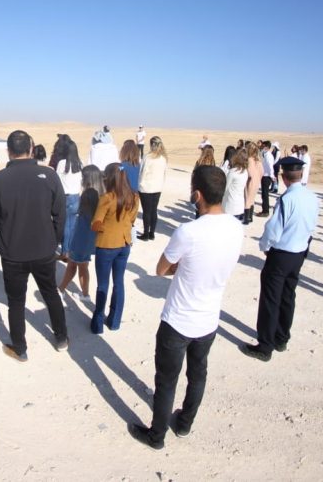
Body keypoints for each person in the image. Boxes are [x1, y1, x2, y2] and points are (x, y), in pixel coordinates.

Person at [127, 166, 242, 450]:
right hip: (209, 319)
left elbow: (160, 269)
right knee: (197, 374)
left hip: (178, 320)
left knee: (166, 381)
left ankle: (156, 436)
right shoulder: (236, 227)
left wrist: (182, 267)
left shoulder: (189, 232)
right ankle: (184, 423)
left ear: (197, 195)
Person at [0, 130, 69, 361]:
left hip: (14, 252)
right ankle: (61, 338)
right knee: (50, 292)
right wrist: (53, 241)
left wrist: (0, 245)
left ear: (8, 151)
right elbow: (61, 214)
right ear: (31, 149)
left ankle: (20, 348)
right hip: (42, 250)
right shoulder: (48, 176)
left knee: (16, 301)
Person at [240, 157, 319, 361]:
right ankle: (282, 337)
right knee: (288, 296)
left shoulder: (287, 199)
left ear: (283, 178)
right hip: (299, 253)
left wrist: (265, 246)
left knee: (270, 299)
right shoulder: (312, 197)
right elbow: (312, 225)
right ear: (300, 175)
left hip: (282, 254)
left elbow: (274, 229)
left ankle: (265, 346)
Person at [90, 163, 139, 334]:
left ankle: (97, 323)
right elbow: (132, 220)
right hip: (124, 244)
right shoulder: (134, 197)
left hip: (106, 245)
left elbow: (96, 224)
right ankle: (115, 320)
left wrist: (102, 227)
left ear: (109, 178)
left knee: (102, 285)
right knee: (119, 283)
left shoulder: (107, 198)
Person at [59, 165, 103, 300]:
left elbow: (81, 218)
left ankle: (62, 290)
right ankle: (84, 293)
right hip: (91, 237)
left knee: (73, 265)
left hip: (82, 236)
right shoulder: (102, 194)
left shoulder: (88, 195)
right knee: (82, 265)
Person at [56, 140, 83, 262]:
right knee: (72, 226)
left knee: (65, 226)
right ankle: (70, 251)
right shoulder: (79, 163)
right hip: (76, 197)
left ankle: (65, 252)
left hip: (65, 197)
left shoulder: (62, 163)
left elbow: (57, 180)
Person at [137, 136, 168, 241]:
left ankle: (146, 234)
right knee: (153, 210)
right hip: (157, 187)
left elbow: (142, 172)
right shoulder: (163, 158)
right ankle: (152, 233)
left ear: (151, 145)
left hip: (146, 187)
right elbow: (164, 173)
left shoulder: (147, 157)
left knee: (146, 211)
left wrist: (139, 184)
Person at [221, 148, 249, 222]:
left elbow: (225, 188)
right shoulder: (245, 171)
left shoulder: (233, 172)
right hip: (239, 205)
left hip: (230, 205)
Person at [244, 142, 263, 224]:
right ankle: (250, 217)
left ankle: (246, 218)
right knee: (252, 199)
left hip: (250, 182)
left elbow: (250, 173)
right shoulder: (258, 160)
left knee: (247, 199)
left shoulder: (249, 159)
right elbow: (262, 172)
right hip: (257, 181)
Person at [258, 140, 275, 216]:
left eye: (263, 146)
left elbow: (270, 167)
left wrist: (272, 176)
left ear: (267, 147)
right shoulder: (264, 154)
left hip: (267, 177)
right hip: (264, 175)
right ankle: (264, 210)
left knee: (265, 194)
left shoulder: (268, 156)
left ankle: (265, 211)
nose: (262, 147)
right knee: (263, 194)